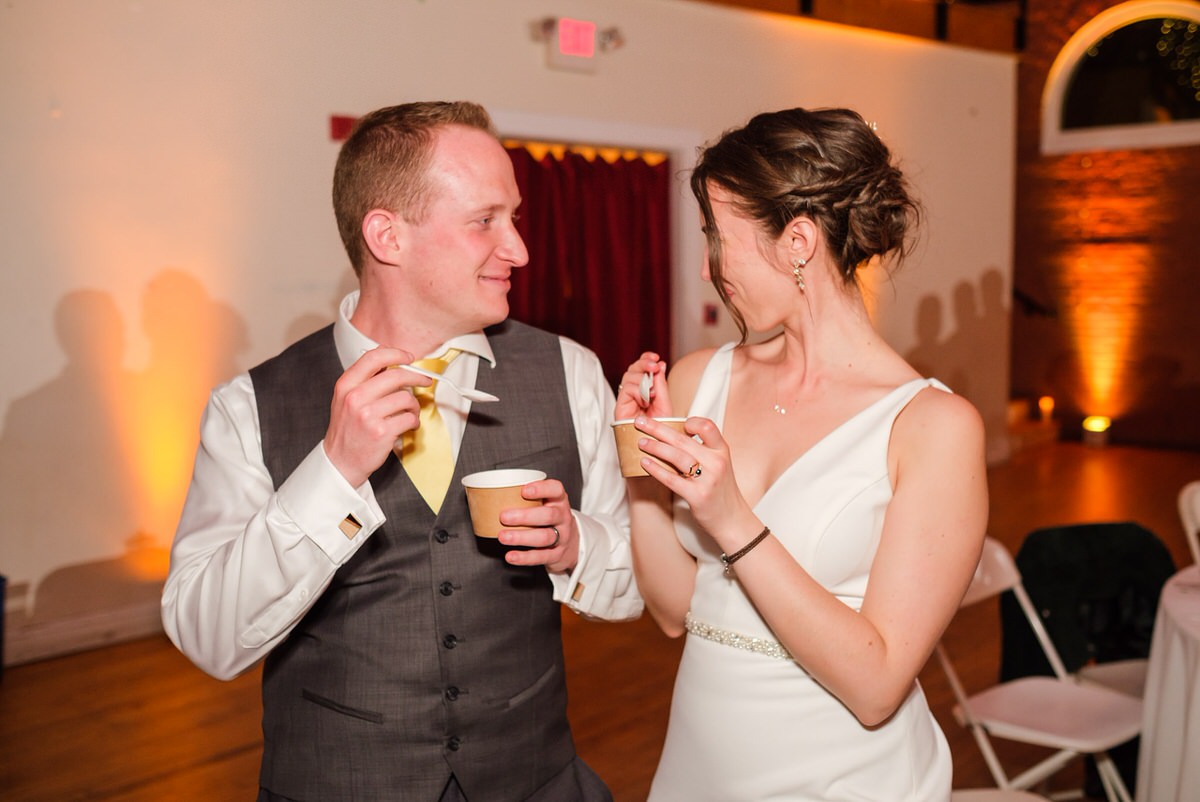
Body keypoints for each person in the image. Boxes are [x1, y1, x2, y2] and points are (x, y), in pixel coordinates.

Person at [161, 101, 641, 802]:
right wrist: (332, 470)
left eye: (515, 218)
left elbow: (641, 584)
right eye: (485, 221)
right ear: (387, 235)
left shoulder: (569, 371)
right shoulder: (249, 409)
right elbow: (207, 636)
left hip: (535, 782)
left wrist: (576, 546)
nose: (519, 250)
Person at [615, 107, 988, 800]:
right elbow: (674, 612)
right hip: (700, 768)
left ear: (798, 242)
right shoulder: (702, 379)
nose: (706, 266)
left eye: (717, 237)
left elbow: (877, 685)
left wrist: (730, 517)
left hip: (841, 776)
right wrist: (640, 464)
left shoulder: (932, 428)